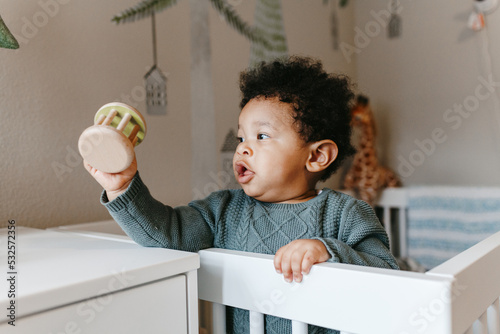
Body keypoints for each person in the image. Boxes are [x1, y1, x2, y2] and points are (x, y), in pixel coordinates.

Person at [84, 56, 399, 333]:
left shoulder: (346, 213)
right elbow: (167, 233)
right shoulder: (222, 210)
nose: (243, 147)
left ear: (316, 157)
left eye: (261, 136)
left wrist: (328, 250)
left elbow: (388, 274)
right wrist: (122, 185)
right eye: (241, 136)